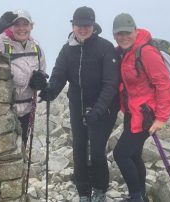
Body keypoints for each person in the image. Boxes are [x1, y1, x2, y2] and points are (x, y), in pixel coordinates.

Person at [39, 6, 120, 202]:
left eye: (87, 25)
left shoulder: (105, 47)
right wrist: (50, 91)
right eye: (79, 25)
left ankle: (100, 189)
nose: (83, 29)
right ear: (73, 26)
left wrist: (98, 110)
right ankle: (84, 192)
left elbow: (111, 84)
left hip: (104, 107)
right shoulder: (67, 49)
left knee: (98, 150)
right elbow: (59, 76)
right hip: (78, 105)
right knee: (79, 149)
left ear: (93, 25)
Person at [112, 13, 170, 202]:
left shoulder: (146, 52)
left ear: (135, 31)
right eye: (119, 34)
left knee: (120, 154)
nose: (123, 37)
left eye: (127, 33)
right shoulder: (124, 52)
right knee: (134, 154)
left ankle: (136, 197)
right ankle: (141, 196)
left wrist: (161, 117)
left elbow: (163, 84)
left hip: (147, 114)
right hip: (133, 112)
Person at [0, 9, 48, 147]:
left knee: (21, 146)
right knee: (4, 150)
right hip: (5, 109)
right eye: (17, 24)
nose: (22, 28)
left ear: (31, 26)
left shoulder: (36, 47)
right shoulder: (0, 44)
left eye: (26, 24)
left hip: (28, 109)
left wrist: (40, 80)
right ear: (10, 26)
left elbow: (42, 70)